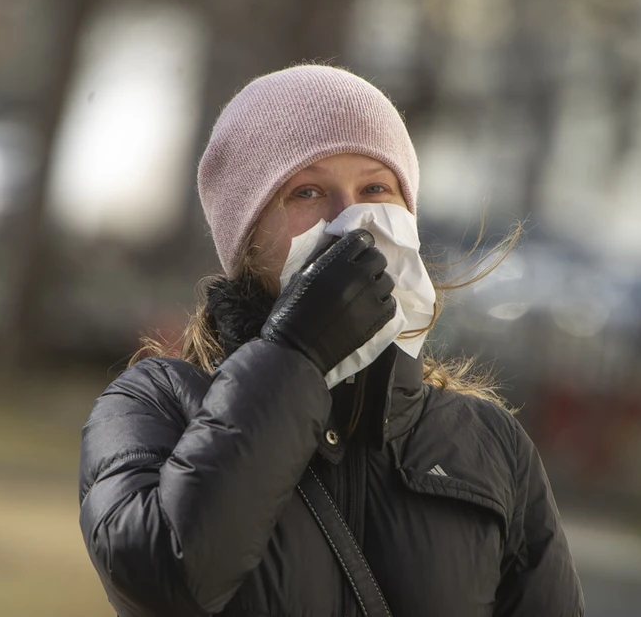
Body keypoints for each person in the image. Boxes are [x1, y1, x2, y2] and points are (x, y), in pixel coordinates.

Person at [78, 64, 585, 617]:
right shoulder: (153, 405)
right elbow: (166, 578)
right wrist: (298, 354)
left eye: (375, 188)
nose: (351, 219)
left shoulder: (491, 446)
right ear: (247, 239)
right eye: (307, 191)